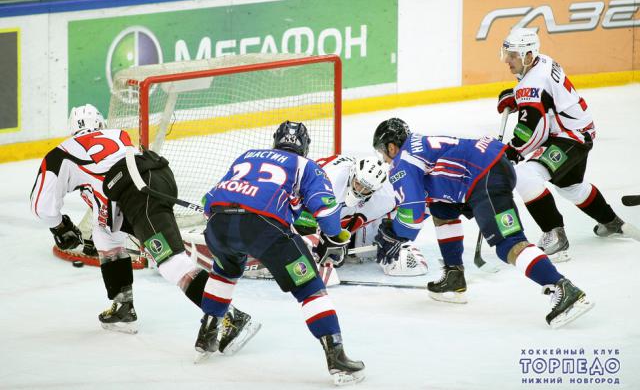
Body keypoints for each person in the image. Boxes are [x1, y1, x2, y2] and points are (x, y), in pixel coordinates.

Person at [30, 104, 259, 354]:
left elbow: (41, 205)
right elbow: (106, 191)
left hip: (137, 191)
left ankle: (230, 317)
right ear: (101, 124)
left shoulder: (60, 153)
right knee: (103, 231)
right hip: (152, 176)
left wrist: (60, 227)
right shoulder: (118, 135)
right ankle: (122, 306)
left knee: (171, 263)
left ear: (72, 129)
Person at [371, 117, 594, 328]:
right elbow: (424, 205)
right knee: (441, 208)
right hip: (484, 170)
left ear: (392, 147)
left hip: (484, 177)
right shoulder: (420, 146)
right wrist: (402, 230)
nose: (384, 159)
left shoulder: (404, 160)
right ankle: (453, 275)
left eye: (383, 151)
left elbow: (412, 214)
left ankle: (562, 287)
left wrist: (396, 234)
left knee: (508, 244)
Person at [198, 121, 365, 385]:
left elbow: (208, 202)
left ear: (275, 141)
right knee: (310, 287)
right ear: (305, 146)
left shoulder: (246, 155)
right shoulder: (306, 166)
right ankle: (336, 356)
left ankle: (207, 333)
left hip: (218, 225)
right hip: (262, 228)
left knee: (224, 270)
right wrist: (336, 238)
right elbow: (326, 212)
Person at [496, 28, 639, 262]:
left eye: (514, 56)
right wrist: (516, 95)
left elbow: (534, 129)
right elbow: (543, 96)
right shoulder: (543, 62)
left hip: (569, 137)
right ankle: (612, 222)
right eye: (507, 54)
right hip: (579, 131)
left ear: (529, 55)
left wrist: (512, 151)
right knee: (570, 187)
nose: (508, 61)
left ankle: (555, 235)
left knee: (524, 175)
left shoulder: (531, 84)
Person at [293, 155, 427, 276]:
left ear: (376, 189)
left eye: (366, 188)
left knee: (365, 253)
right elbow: (300, 203)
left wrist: (395, 235)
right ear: (353, 174)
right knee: (304, 246)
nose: (360, 191)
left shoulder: (388, 194)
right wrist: (327, 240)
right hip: (313, 209)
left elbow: (417, 205)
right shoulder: (331, 181)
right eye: (358, 184)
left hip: (349, 218)